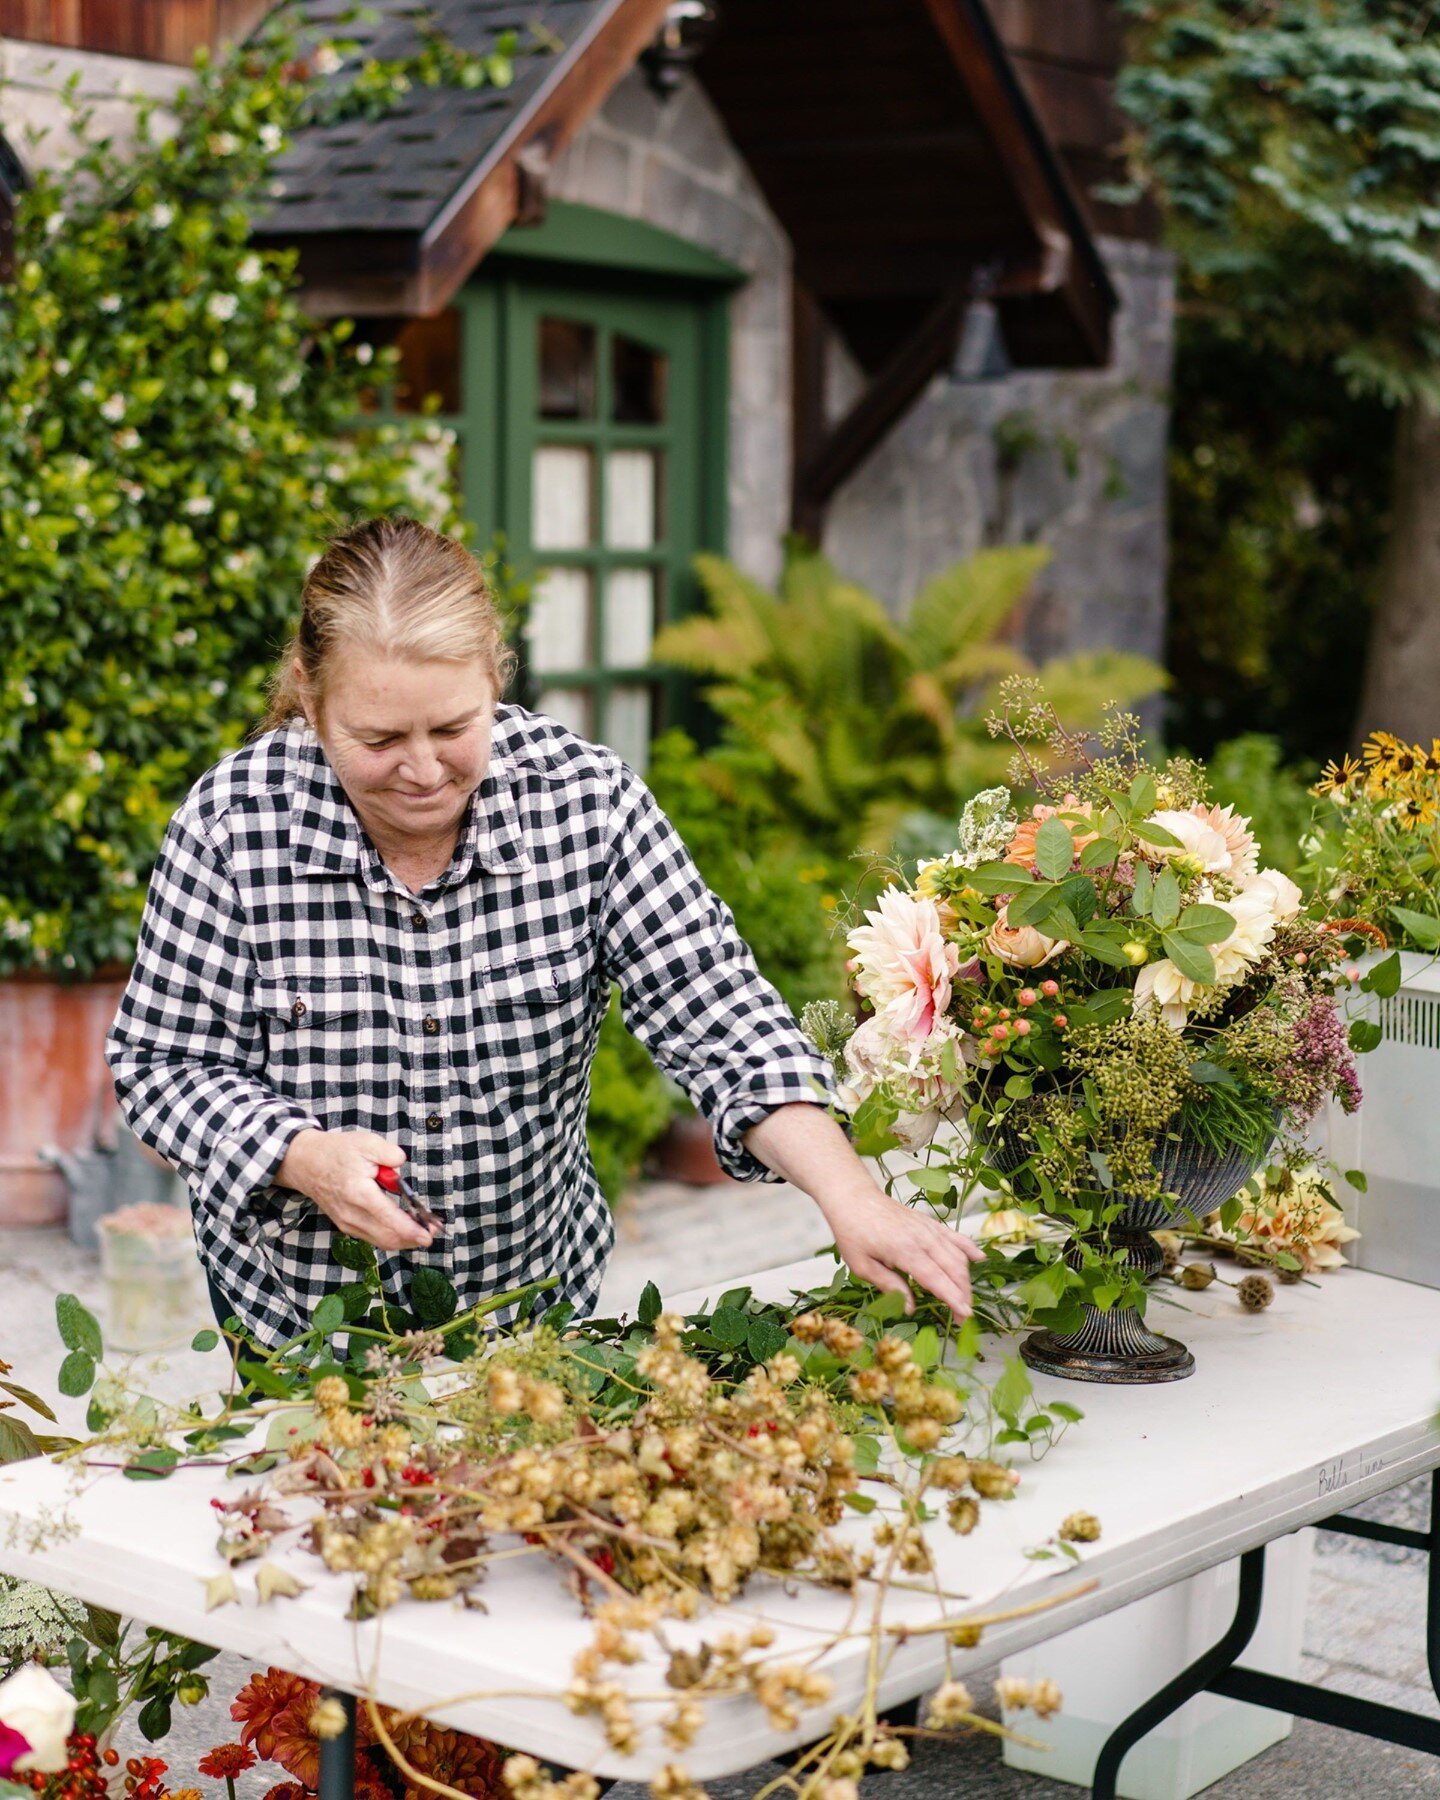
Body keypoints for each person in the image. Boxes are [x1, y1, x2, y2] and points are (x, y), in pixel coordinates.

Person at [106, 517, 982, 1347]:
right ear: (309, 695)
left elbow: (720, 1017)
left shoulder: (588, 803)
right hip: (299, 1328)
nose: (420, 770)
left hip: (532, 1318)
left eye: (453, 727)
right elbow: (162, 1065)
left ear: (497, 674)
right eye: (377, 738)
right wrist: (300, 1155)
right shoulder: (231, 824)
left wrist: (850, 1195)